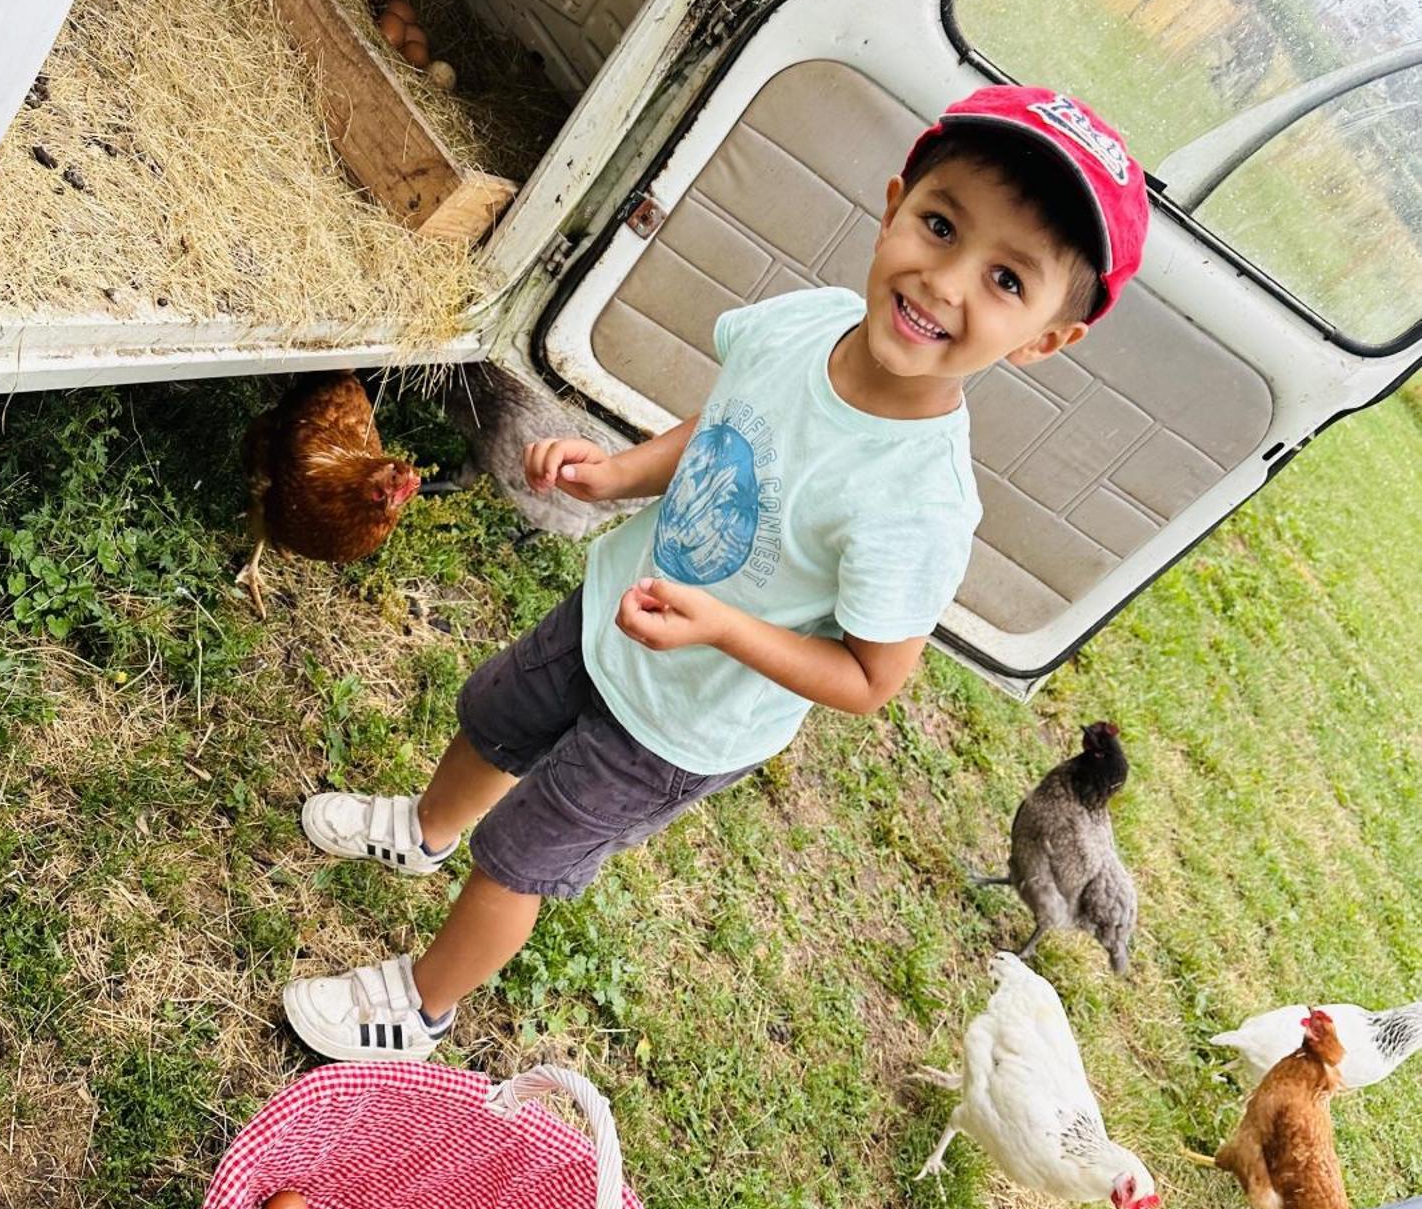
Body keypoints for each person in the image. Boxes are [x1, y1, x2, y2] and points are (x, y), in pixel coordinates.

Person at [281, 84, 1149, 1061]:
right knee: (495, 713)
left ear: (1043, 340)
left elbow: (872, 680)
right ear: (895, 201)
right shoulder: (807, 322)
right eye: (940, 225)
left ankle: (420, 1006)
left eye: (1005, 280)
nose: (946, 280)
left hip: (681, 722)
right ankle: (424, 827)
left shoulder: (920, 501)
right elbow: (723, 429)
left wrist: (721, 627)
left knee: (517, 855)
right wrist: (614, 473)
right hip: (611, 609)